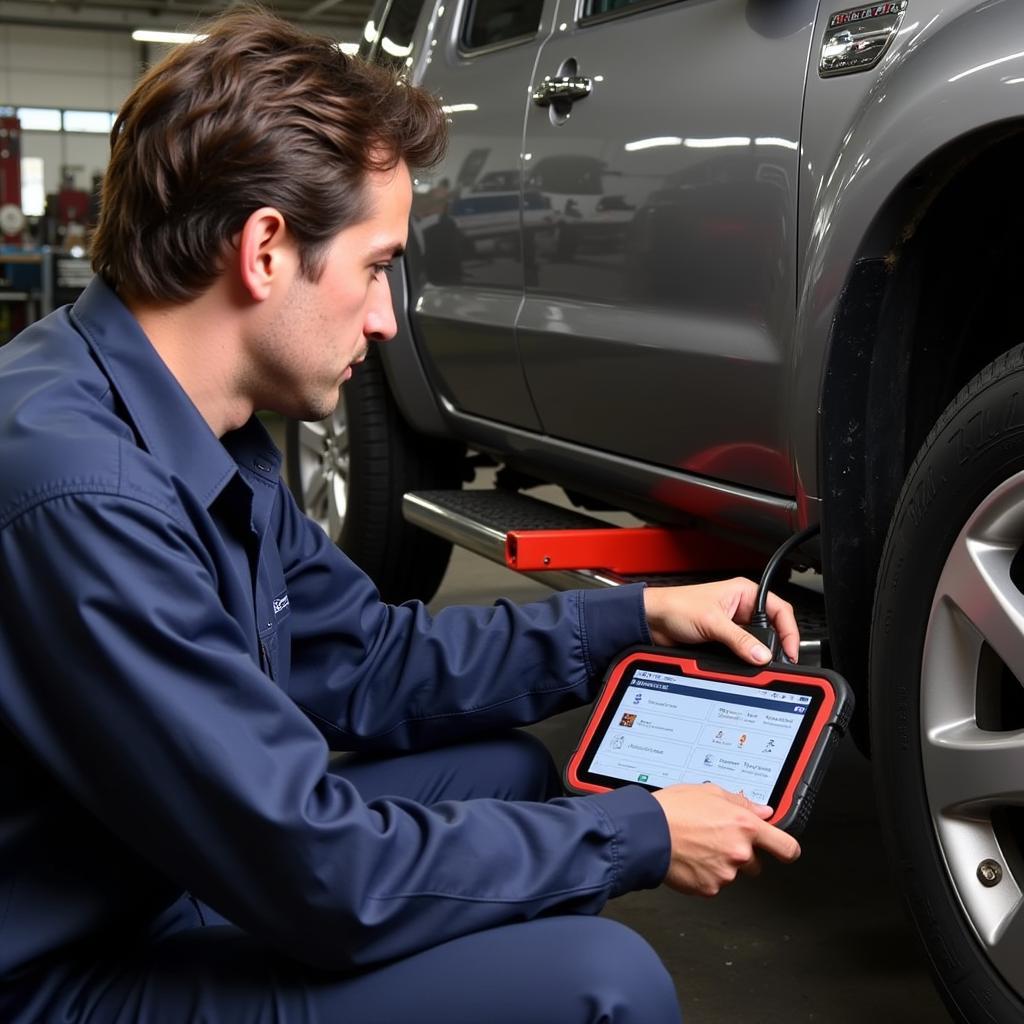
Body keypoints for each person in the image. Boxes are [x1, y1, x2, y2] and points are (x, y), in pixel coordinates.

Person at [0, 10, 802, 1023]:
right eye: (376, 267)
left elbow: (368, 659)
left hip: (151, 868)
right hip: (59, 977)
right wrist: (640, 833)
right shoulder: (84, 497)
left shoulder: (193, 422)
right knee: (609, 982)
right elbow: (317, 871)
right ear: (265, 251)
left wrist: (634, 622)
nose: (382, 320)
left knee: (511, 768)